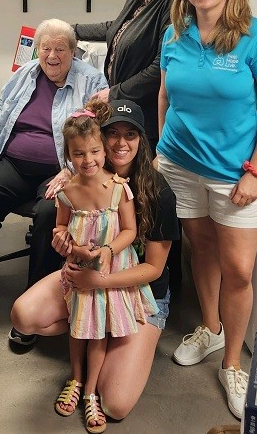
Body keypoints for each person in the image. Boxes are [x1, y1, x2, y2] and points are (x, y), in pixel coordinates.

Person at [157, 0, 257, 420]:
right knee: (202, 250)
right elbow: (165, 94)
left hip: (234, 174)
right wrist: (160, 153)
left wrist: (255, 172)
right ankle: (209, 329)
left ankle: (232, 362)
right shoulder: (176, 33)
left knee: (237, 269)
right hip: (179, 166)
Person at [11, 99, 178, 421]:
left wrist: (99, 280)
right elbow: (61, 222)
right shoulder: (84, 176)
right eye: (112, 133)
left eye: (130, 134)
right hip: (86, 275)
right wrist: (64, 242)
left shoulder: (156, 193)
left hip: (139, 288)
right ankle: (90, 340)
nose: (120, 142)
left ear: (141, 140)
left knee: (115, 404)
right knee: (24, 316)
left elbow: (154, 268)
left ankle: (104, 350)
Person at [0, 19, 107, 322]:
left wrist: (71, 170)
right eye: (46, 49)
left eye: (60, 49)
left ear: (73, 51)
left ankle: (38, 301)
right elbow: (3, 105)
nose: (52, 56)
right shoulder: (28, 73)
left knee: (48, 216)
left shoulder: (92, 81)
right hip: (15, 164)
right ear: (37, 50)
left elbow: (96, 133)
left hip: (60, 170)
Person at [49, 100, 157, 434]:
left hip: (110, 274)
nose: (88, 160)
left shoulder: (118, 190)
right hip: (79, 270)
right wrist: (70, 244)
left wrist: (108, 250)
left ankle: (92, 391)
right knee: (78, 326)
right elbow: (60, 227)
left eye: (95, 152)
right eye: (79, 154)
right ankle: (76, 379)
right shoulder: (66, 192)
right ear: (69, 155)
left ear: (103, 152)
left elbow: (131, 231)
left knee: (98, 331)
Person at [73, 0, 187, 152]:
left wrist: (114, 93)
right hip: (123, 108)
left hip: (146, 118)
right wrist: (70, 29)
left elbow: (160, 68)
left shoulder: (176, 1)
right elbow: (116, 28)